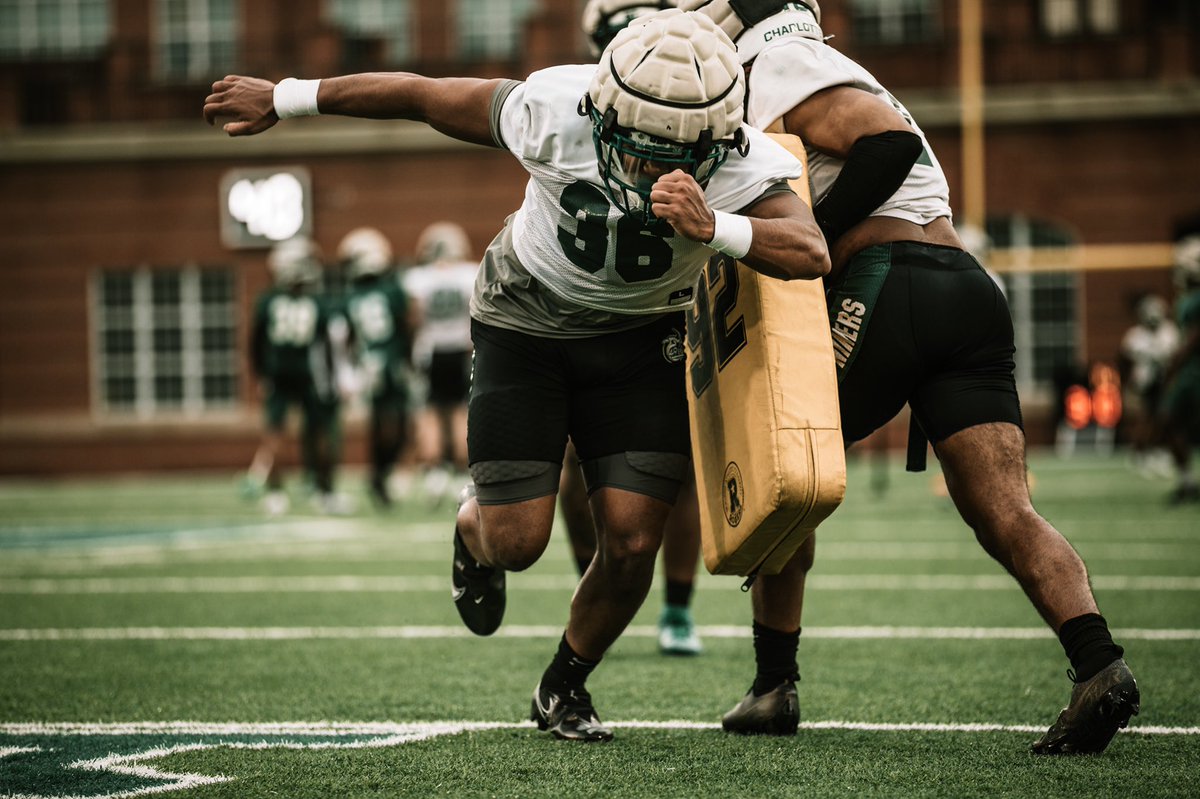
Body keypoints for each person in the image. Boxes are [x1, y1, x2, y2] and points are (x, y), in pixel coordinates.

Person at [204, 8, 829, 742]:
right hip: (525, 321)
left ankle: (565, 684)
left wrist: (717, 226)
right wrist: (286, 97)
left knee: (632, 543)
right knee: (516, 542)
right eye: (634, 147)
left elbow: (810, 250)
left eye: (671, 156)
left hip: (641, 339)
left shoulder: (740, 158)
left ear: (715, 142)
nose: (646, 170)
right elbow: (420, 93)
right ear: (601, 111)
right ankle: (472, 531)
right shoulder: (553, 108)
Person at [682, 0, 1139, 754]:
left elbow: (886, 144)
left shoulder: (784, 63)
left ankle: (773, 683)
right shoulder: (831, 65)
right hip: (963, 287)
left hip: (888, 279)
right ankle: (1099, 662)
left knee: (780, 473)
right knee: (1007, 511)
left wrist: (815, 235)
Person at [572, 0, 705, 657]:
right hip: (594, 308)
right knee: (573, 464)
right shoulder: (573, 103)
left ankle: (676, 606)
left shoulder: (707, 96)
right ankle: (595, 589)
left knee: (682, 466)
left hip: (678, 305)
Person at [244, 236, 342, 515]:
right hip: (309, 374)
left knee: (275, 435)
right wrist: (332, 377)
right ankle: (324, 492)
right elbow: (327, 345)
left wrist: (261, 374)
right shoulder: (316, 303)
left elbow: (256, 344)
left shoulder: (268, 301)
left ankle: (276, 495)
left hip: (278, 374)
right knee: (320, 432)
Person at [338, 226, 418, 507]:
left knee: (380, 423)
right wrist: (409, 359)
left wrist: (353, 366)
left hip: (370, 365)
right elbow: (407, 326)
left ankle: (378, 474)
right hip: (391, 362)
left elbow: (348, 338)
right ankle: (381, 474)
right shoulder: (392, 290)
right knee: (399, 424)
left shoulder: (352, 295)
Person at [402, 221, 478, 504]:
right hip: (460, 349)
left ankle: (434, 472)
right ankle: (460, 470)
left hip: (431, 351)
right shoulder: (469, 274)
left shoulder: (418, 278)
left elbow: (414, 318)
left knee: (431, 413)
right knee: (461, 411)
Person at [1119, 293, 1178, 478]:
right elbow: (1124, 360)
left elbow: (1175, 357)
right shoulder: (1135, 336)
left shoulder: (1169, 332)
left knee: (1164, 419)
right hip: (1143, 384)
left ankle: (1158, 449)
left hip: (1165, 383)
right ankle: (1140, 452)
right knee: (1143, 420)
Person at [1161, 234, 1200, 503]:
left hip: (1193, 370)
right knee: (1169, 421)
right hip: (1188, 374)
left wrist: (1176, 360)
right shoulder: (1184, 299)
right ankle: (1187, 481)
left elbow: (1194, 337)